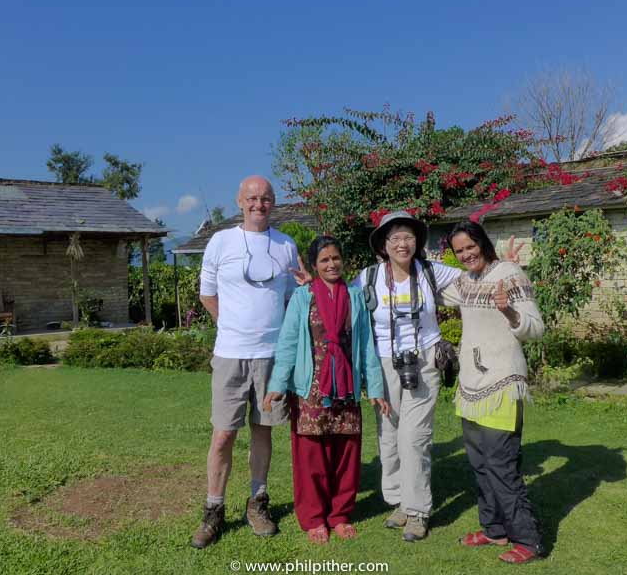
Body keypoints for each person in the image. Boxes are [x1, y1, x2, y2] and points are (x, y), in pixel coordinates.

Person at [191, 175, 303, 549]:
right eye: (252, 197)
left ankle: (257, 502)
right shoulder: (220, 241)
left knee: (263, 430)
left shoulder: (286, 245)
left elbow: (293, 298)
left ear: (274, 202)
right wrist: (231, 325)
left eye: (266, 198)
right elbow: (207, 294)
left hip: (272, 357)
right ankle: (214, 508)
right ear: (239, 201)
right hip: (230, 355)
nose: (259, 203)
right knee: (223, 434)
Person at [263, 236, 391, 544]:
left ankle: (340, 514)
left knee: (346, 456)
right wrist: (278, 384)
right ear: (315, 265)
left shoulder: (356, 297)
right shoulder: (302, 297)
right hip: (312, 389)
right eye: (324, 260)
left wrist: (374, 387)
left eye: (336, 258)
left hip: (346, 389)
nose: (331, 264)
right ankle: (314, 518)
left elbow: (366, 347)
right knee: (312, 459)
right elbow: (289, 343)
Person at [354, 210, 462, 542]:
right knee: (389, 436)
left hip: (424, 361)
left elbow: (471, 278)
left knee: (414, 438)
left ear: (417, 242)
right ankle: (399, 500)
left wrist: (501, 266)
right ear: (383, 245)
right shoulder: (367, 277)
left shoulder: (430, 271)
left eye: (408, 237)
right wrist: (307, 288)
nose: (403, 244)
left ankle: (418, 511)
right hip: (384, 364)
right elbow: (338, 302)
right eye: (395, 238)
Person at [443, 219, 545, 564]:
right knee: (480, 465)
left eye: (471, 247)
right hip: (470, 387)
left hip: (502, 383)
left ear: (483, 243)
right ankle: (494, 529)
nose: (467, 254)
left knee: (502, 466)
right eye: (459, 251)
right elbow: (427, 282)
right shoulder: (464, 282)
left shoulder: (509, 274)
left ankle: (528, 541)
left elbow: (536, 328)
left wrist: (509, 311)